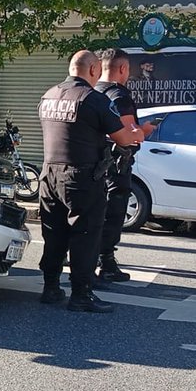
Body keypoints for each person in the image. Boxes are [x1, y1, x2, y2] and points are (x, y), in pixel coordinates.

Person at [37, 50, 144, 313]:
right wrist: (142, 132)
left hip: (49, 174)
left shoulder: (48, 95)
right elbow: (123, 138)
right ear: (94, 70)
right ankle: (81, 294)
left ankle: (50, 287)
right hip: (82, 176)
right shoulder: (93, 99)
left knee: (53, 233)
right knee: (85, 235)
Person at [93, 48, 158, 285]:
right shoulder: (119, 95)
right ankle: (106, 261)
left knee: (94, 210)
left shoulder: (92, 90)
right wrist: (145, 131)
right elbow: (129, 134)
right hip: (116, 162)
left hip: (94, 161)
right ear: (122, 68)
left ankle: (86, 255)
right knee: (114, 211)